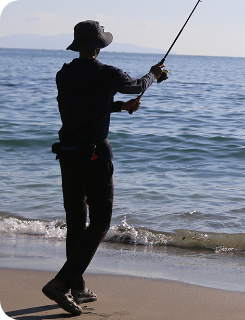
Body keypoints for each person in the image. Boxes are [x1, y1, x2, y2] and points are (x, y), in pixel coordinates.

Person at [42, 20, 164, 315]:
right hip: (94, 157)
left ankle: (78, 288)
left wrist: (119, 107)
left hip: (68, 156)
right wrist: (153, 75)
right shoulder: (106, 73)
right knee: (99, 223)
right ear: (97, 47)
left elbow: (82, 106)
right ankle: (60, 284)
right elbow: (134, 85)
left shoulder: (64, 74)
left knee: (76, 222)